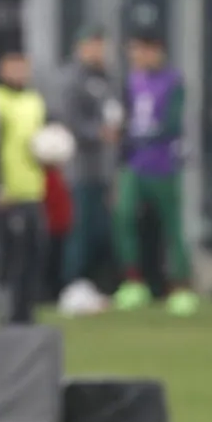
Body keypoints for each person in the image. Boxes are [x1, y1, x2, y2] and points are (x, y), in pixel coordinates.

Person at [113, 30, 197, 315]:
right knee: (124, 216)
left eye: (140, 50)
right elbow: (124, 118)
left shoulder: (173, 82)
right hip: (134, 164)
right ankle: (133, 282)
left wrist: (137, 136)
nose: (135, 57)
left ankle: (181, 287)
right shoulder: (131, 82)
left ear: (155, 51)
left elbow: (172, 125)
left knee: (171, 225)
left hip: (162, 165)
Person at [0, 51, 48, 324]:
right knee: (12, 255)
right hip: (6, 193)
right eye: (14, 66)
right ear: (2, 68)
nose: (19, 72)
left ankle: (26, 311)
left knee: (34, 251)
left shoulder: (35, 100)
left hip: (32, 190)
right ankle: (8, 311)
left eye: (23, 66)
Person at [57, 26, 121, 305]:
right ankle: (71, 285)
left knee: (100, 230)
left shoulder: (107, 79)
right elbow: (69, 121)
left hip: (102, 171)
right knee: (79, 231)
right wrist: (97, 132)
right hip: (79, 170)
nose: (98, 51)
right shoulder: (72, 79)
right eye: (93, 45)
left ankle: (93, 285)